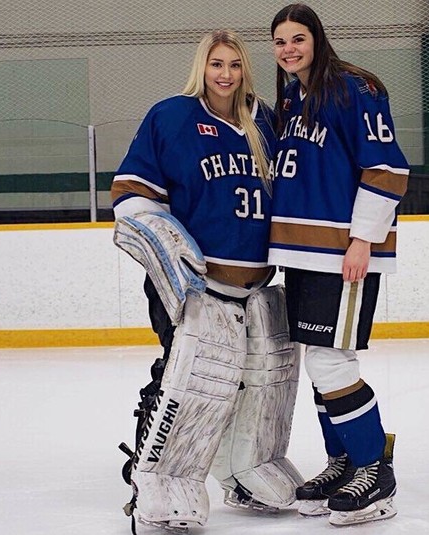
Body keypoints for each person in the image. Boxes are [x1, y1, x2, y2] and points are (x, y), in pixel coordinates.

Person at [111, 29, 303, 532]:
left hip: (256, 286)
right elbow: (132, 194)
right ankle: (157, 474)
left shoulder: (264, 120)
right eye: (217, 64)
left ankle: (249, 467)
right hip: (195, 285)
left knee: (263, 378)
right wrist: (164, 245)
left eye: (235, 65)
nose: (226, 74)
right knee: (193, 378)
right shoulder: (172, 117)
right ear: (203, 67)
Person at [269, 4, 410, 527]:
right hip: (302, 254)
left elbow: (387, 168)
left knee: (332, 363)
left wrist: (362, 240)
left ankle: (375, 470)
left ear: (317, 39)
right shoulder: (292, 97)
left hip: (342, 253)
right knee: (319, 363)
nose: (289, 49)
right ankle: (344, 461)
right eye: (280, 41)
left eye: (297, 38)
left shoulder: (355, 89)